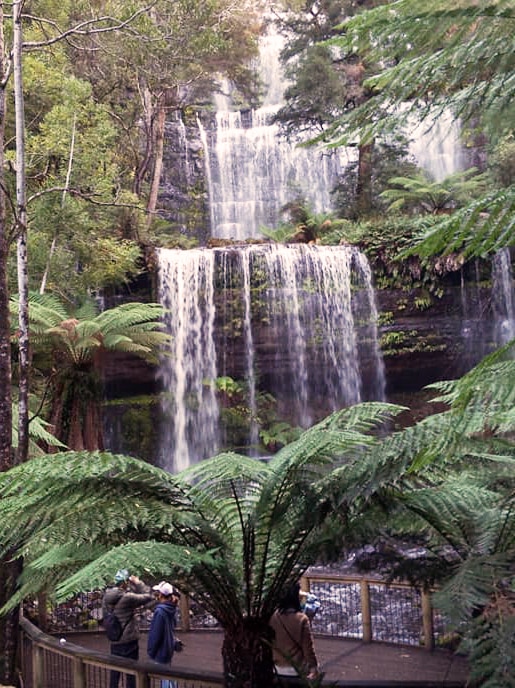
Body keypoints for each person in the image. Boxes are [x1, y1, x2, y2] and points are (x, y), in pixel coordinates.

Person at [102, 569, 154, 688]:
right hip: (128, 639)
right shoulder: (128, 598)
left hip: (114, 638)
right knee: (131, 671)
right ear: (125, 583)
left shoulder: (106, 597)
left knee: (115, 671)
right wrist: (138, 582)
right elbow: (148, 596)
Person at [269, 583, 320, 681]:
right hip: (296, 670)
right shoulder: (301, 619)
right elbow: (308, 647)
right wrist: (314, 668)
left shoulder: (272, 617)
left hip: (276, 668)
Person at [147, 581, 181, 688]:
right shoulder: (172, 608)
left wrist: (151, 651)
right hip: (169, 647)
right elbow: (174, 625)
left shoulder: (160, 612)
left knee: (164, 677)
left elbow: (156, 634)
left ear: (161, 594)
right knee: (168, 675)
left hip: (161, 649)